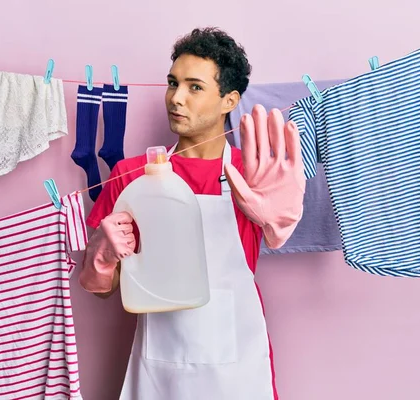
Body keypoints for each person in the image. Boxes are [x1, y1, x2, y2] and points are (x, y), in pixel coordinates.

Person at [79, 27, 306, 400]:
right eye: (173, 83)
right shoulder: (132, 174)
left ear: (229, 101)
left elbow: (277, 233)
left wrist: (280, 219)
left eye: (194, 87)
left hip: (236, 362)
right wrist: (102, 256)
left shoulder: (254, 174)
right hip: (161, 365)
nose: (175, 98)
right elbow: (99, 289)